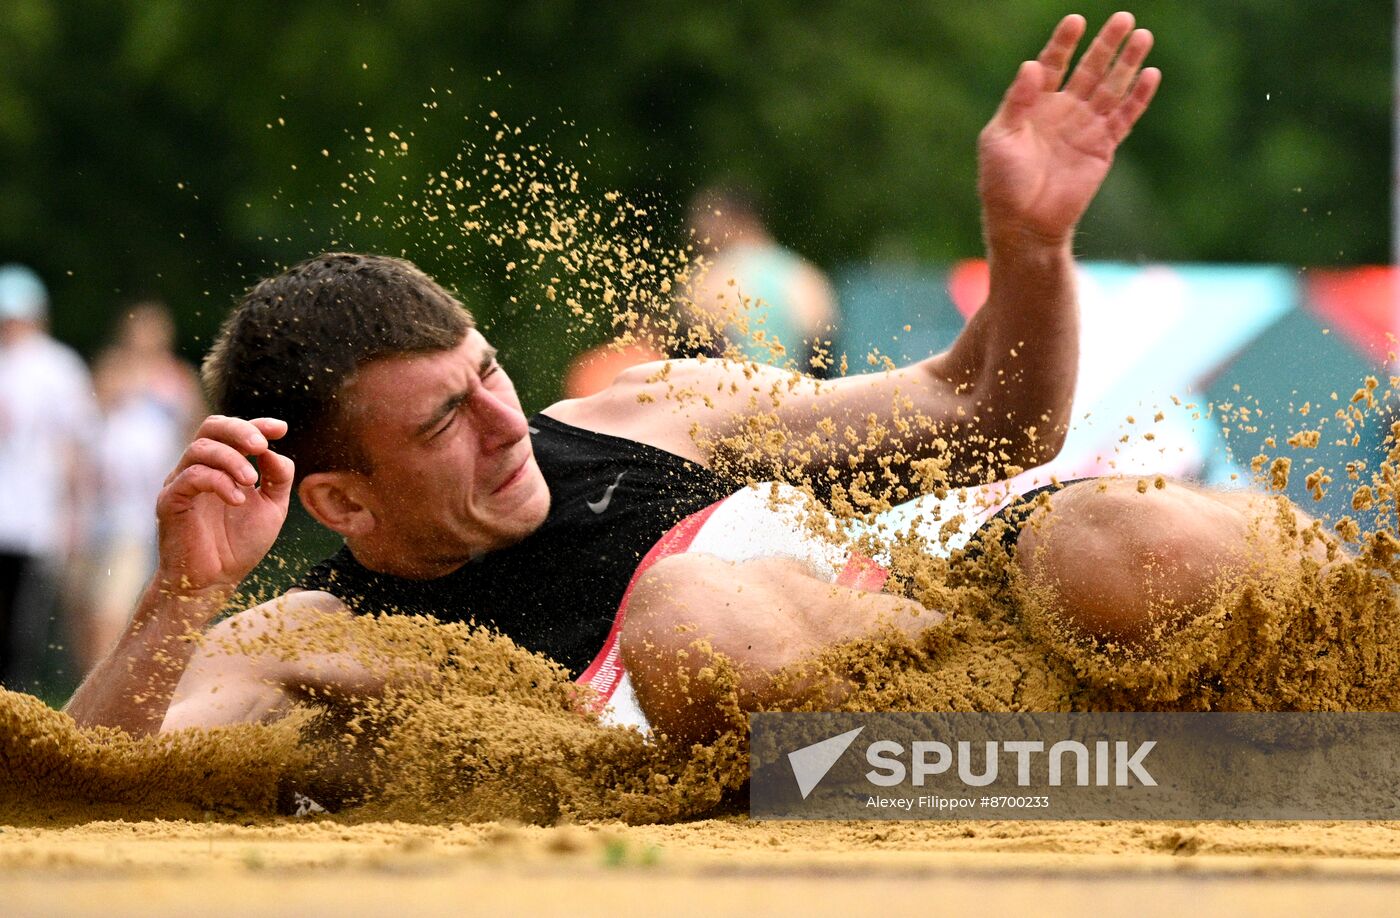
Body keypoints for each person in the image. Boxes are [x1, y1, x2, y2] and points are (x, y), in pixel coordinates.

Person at [69, 14, 1216, 748]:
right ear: (343, 501)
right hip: (792, 723)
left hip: (962, 635)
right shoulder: (316, 632)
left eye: (487, 374)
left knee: (1117, 529)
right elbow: (80, 785)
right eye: (444, 421)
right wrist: (181, 598)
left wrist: (1028, 246)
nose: (504, 421)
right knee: (686, 613)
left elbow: (989, 424)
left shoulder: (652, 406)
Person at [70, 302, 203, 675]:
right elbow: (86, 422)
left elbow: (193, 432)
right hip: (96, 508)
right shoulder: (112, 370)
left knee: (109, 607)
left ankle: (101, 689)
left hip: (138, 511)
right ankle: (89, 684)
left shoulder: (177, 379)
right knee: (81, 608)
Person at [0, 265, 98, 694]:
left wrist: (76, 512)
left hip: (32, 519)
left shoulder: (57, 368)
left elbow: (75, 447)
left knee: (19, 631)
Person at [680, 184, 837, 372]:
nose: (695, 233)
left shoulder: (710, 278)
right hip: (797, 395)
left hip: (729, 393)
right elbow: (824, 342)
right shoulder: (806, 276)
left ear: (730, 219)